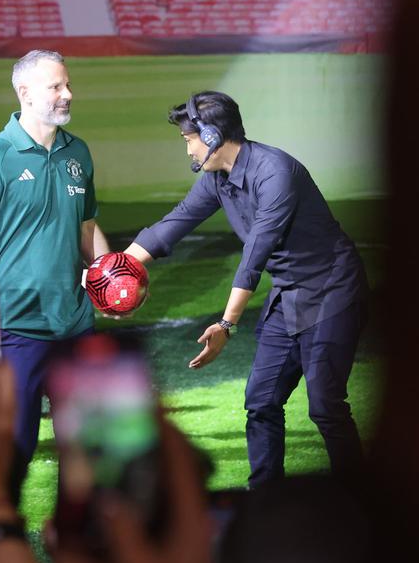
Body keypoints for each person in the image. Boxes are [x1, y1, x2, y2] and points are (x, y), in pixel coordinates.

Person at [124, 91, 368, 487]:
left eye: (189, 138)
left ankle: (358, 496)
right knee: (261, 403)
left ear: (213, 136)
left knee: (325, 407)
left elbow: (256, 253)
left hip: (331, 290)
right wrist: (117, 266)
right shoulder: (217, 178)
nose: (186, 146)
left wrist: (226, 324)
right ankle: (265, 499)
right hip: (289, 295)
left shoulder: (275, 172)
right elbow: (177, 222)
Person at [0, 49, 110, 463]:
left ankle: (80, 530)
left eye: (68, 84)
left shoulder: (79, 153)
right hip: (14, 331)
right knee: (12, 453)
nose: (68, 94)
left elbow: (86, 228)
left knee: (88, 452)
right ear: (24, 92)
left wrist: (109, 280)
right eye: (55, 87)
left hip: (75, 325)